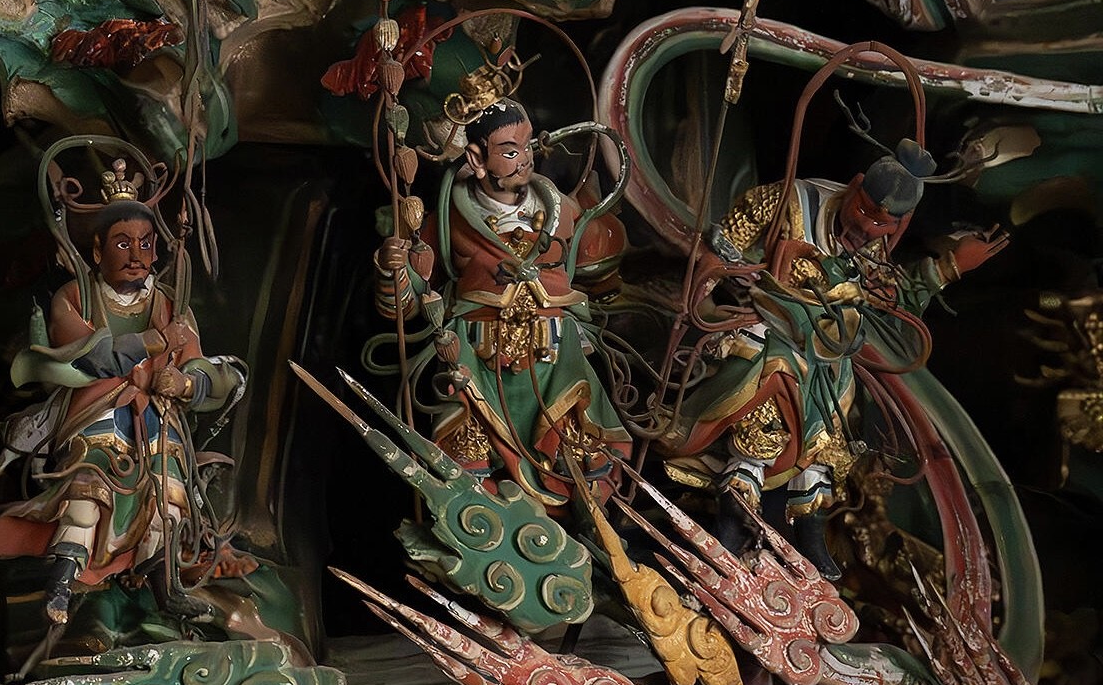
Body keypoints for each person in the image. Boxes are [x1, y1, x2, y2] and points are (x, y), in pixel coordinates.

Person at [662, 137, 1006, 576]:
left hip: (821, 348)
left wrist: (947, 268)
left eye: (882, 224)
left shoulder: (872, 249)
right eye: (863, 210)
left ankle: (810, 525)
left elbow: (889, 304)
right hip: (760, 321)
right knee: (776, 370)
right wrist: (710, 295)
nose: (866, 228)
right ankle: (734, 509)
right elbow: (721, 246)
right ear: (856, 186)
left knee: (836, 395)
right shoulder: (789, 201)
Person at [0, 166, 245, 632]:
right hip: (97, 412)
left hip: (157, 418)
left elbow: (197, 362)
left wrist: (185, 384)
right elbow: (89, 356)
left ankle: (165, 588)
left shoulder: (169, 303)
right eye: (122, 244)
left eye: (145, 244)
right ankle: (62, 581)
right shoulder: (75, 297)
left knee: (168, 497)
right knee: (88, 488)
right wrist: (152, 342)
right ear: (97, 250)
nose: (136, 255)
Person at [375, 95, 630, 511]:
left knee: (578, 454)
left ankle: (583, 521)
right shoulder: (449, 219)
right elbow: (407, 307)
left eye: (527, 146)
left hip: (554, 356)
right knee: (469, 459)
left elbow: (599, 268)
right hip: (479, 357)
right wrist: (394, 270)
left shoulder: (560, 211)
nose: (525, 159)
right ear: (477, 158)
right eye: (510, 151)